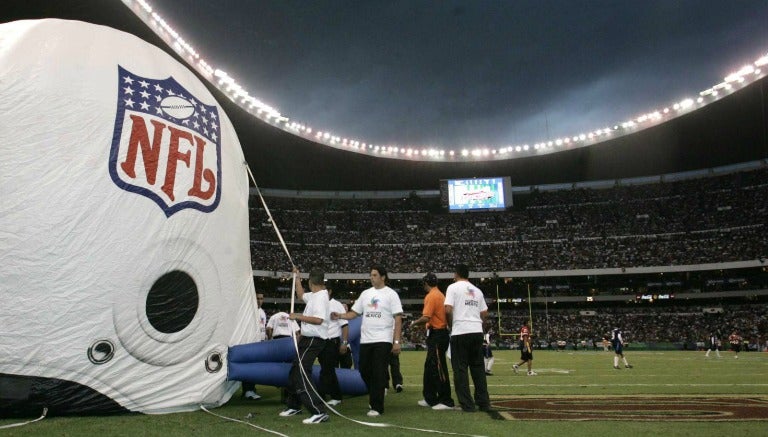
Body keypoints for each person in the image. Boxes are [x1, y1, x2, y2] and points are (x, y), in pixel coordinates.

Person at [332, 265, 403, 417]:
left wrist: (396, 341)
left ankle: (377, 407)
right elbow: (354, 313)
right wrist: (340, 315)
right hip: (366, 340)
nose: (371, 277)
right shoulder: (365, 294)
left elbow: (398, 318)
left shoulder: (391, 294)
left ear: (383, 277)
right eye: (371, 275)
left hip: (383, 339)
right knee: (364, 371)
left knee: (378, 372)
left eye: (375, 275)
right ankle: (376, 392)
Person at [279, 268, 330, 424]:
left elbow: (319, 320)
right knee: (295, 369)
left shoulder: (321, 297)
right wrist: (297, 278)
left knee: (301, 372)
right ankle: (294, 405)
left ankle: (318, 410)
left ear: (311, 282)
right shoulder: (314, 295)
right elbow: (300, 295)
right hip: (307, 339)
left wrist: (298, 316)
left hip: (314, 339)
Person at [444, 264, 491, 413]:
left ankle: (467, 404)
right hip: (476, 331)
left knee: (460, 369)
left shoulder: (453, 288)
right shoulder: (477, 290)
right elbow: (484, 313)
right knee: (478, 369)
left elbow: (448, 309)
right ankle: (483, 402)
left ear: (456, 274)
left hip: (460, 331)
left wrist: (451, 325)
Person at [410, 272, 454, 410]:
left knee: (438, 367)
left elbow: (426, 317)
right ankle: (430, 398)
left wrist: (413, 323)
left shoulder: (431, 296)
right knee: (430, 367)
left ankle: (446, 400)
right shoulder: (440, 294)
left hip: (437, 334)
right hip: (438, 334)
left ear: (425, 283)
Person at [318, 286, 349, 406]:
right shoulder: (319, 303)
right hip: (320, 340)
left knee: (327, 369)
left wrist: (344, 343)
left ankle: (327, 396)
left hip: (332, 340)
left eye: (324, 289)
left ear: (330, 291)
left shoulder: (336, 304)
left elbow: (345, 325)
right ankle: (332, 395)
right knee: (327, 369)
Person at [242, 292, 267, 400]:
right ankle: (248, 390)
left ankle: (250, 389)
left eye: (261, 298)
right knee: (250, 367)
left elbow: (263, 327)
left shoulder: (262, 312)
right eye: (257, 298)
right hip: (251, 342)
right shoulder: (248, 311)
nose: (259, 300)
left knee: (255, 368)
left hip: (260, 342)